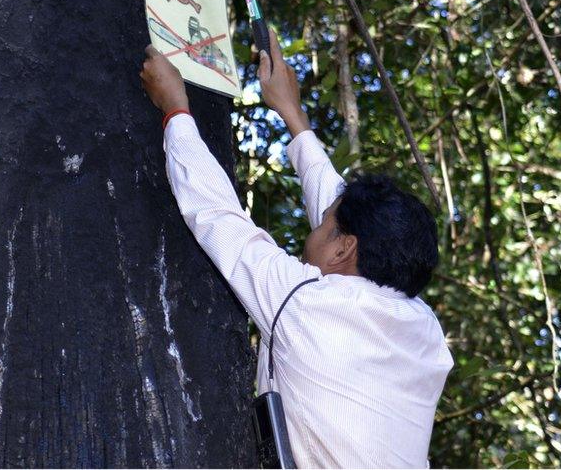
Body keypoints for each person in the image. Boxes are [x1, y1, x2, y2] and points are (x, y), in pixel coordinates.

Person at [139, 30, 453, 468]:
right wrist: (292, 114)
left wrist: (175, 110)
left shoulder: (306, 306)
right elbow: (335, 201)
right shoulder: (425, 331)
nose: (319, 220)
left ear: (345, 248)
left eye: (326, 223)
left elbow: (220, 219)